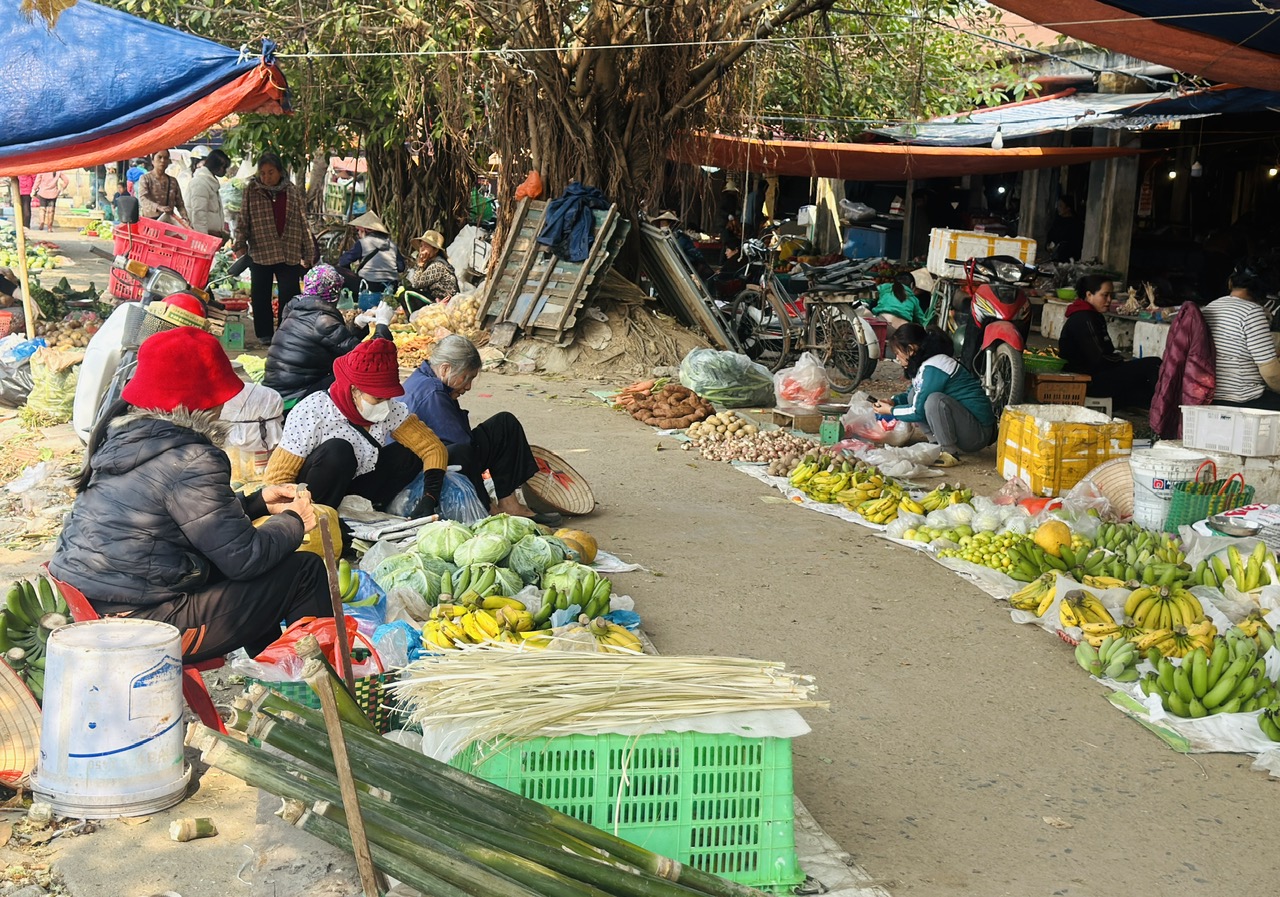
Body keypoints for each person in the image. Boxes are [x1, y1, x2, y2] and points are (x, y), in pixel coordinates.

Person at [48, 327, 330, 663]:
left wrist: (257, 503)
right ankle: (322, 693)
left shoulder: (124, 439)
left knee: (256, 573)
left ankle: (274, 675)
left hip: (94, 606)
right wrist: (294, 520)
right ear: (205, 399)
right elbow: (246, 559)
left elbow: (186, 522)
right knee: (304, 570)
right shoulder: (192, 459)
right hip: (141, 627)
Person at [264, 337, 448, 518]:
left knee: (408, 454)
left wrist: (429, 497)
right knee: (338, 450)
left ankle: (370, 509)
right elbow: (278, 478)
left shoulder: (392, 411)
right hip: (313, 494)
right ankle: (323, 517)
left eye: (388, 398)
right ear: (353, 390)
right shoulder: (312, 411)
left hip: (356, 489)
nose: (385, 404)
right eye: (377, 399)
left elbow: (432, 448)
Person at [402, 334, 559, 524]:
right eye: (466, 378)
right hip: (421, 472)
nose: (468, 386)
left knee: (504, 425)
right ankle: (489, 507)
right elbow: (462, 448)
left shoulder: (424, 377)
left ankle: (510, 504)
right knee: (464, 449)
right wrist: (484, 501)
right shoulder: (433, 392)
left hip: (425, 460)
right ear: (445, 369)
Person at [265, 264, 393, 405]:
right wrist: (382, 324)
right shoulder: (322, 320)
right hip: (295, 397)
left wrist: (357, 324)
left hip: (277, 391)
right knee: (355, 375)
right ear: (335, 293)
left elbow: (336, 342)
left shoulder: (297, 311)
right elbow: (368, 358)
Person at [873, 323, 996, 458]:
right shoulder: (927, 364)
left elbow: (917, 411)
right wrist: (893, 401)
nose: (897, 358)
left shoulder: (935, 367)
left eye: (898, 353)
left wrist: (890, 411)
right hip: (967, 426)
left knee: (934, 401)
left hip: (978, 433)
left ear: (911, 349)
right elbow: (914, 392)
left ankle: (948, 452)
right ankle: (935, 443)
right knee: (915, 395)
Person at [233, 152, 315, 345]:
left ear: (280, 171)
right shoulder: (252, 190)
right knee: (260, 294)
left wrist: (309, 251)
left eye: (271, 172)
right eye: (263, 173)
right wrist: (240, 243)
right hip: (262, 249)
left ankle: (286, 332)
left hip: (289, 248)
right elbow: (243, 218)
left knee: (290, 293)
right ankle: (265, 335)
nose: (266, 177)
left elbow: (303, 221)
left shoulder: (292, 191)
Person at [1058, 274, 1161, 408]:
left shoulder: (1090, 316)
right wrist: (1121, 361)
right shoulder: (1084, 318)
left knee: (1142, 390)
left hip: (1096, 375)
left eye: (1111, 296)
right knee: (1153, 364)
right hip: (1089, 380)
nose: (1109, 300)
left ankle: (1158, 410)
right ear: (1089, 295)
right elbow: (1099, 358)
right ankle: (1161, 409)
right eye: (1104, 295)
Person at [1201, 264, 1280, 410]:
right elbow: (1271, 373)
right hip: (1243, 397)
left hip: (1211, 393)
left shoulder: (1212, 306)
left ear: (1231, 283)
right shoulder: (1252, 312)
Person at [337, 210, 405, 296]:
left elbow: (343, 261)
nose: (358, 233)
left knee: (337, 270)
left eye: (359, 230)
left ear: (366, 230)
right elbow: (401, 267)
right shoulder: (392, 245)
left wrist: (350, 272)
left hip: (368, 286)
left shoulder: (363, 243)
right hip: (391, 286)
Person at [651, 210, 713, 282]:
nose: (662, 226)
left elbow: (676, 252)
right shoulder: (667, 237)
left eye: (664, 223)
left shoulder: (680, 237)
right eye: (661, 224)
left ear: (670, 224)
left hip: (691, 267)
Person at [404, 230, 460, 305]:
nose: (422, 249)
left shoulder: (437, 265)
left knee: (407, 293)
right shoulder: (429, 263)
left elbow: (416, 284)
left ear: (436, 250)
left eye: (426, 246)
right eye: (421, 246)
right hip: (435, 298)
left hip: (445, 301)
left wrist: (420, 266)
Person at [187, 149, 231, 239]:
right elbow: (199, 214)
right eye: (224, 168)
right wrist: (203, 239)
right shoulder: (200, 183)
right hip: (204, 238)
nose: (225, 171)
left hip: (212, 236)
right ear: (217, 166)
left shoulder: (209, 182)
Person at [136, 150, 188, 224]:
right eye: (159, 157)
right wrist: (158, 207)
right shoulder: (145, 178)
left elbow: (180, 204)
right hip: (150, 223)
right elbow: (143, 199)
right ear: (153, 161)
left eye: (166, 158)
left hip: (168, 223)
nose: (163, 160)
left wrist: (185, 218)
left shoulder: (173, 181)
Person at [1047, 196, 1085, 263]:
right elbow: (1050, 235)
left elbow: (1076, 244)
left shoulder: (1076, 224)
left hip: (1069, 259)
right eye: (1058, 205)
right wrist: (1048, 245)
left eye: (1061, 206)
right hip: (1055, 257)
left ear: (1068, 208)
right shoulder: (1057, 221)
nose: (1058, 208)